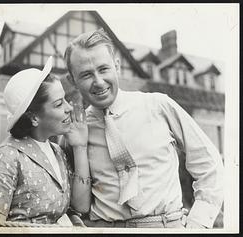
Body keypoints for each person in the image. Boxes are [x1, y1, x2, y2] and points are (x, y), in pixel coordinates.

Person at [63, 29, 224, 228]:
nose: (98, 81)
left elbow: (209, 162)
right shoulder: (76, 131)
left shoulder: (158, 105)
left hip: (165, 226)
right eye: (86, 74)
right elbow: (74, 202)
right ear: (72, 81)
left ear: (117, 66)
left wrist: (198, 221)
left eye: (104, 69)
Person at [0, 57, 90, 226]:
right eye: (59, 104)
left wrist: (80, 146)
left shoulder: (57, 152)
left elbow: (80, 206)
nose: (69, 108)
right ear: (34, 117)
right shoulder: (6, 157)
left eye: (65, 100)